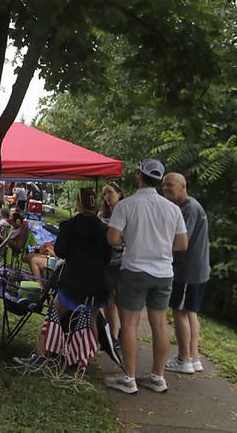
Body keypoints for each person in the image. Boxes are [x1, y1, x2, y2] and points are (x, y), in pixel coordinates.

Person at [105, 159, 188, 394]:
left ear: (139, 176)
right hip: (164, 273)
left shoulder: (127, 205)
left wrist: (131, 240)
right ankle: (157, 377)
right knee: (159, 324)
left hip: (135, 271)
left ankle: (129, 379)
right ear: (160, 180)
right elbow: (182, 244)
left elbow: (112, 238)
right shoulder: (172, 209)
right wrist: (159, 244)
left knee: (129, 324)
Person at [14, 188, 111, 367]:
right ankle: (86, 361)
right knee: (91, 322)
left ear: (78, 204)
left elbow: (61, 252)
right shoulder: (104, 229)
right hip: (97, 285)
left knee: (53, 316)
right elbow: (107, 258)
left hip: (73, 283)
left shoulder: (70, 225)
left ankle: (41, 356)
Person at [162, 172, 210, 374]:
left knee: (179, 312)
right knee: (190, 312)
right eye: (163, 185)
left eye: (170, 185)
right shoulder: (189, 206)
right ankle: (194, 357)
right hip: (198, 270)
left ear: (183, 186)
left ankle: (183, 359)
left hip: (187, 271)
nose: (165, 189)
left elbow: (181, 243)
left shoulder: (188, 209)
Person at [100, 181, 126, 346]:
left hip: (122, 263)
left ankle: (125, 333)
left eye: (110, 192)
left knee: (120, 300)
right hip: (105, 262)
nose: (107, 197)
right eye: (105, 194)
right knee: (108, 299)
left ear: (119, 193)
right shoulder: (102, 215)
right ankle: (112, 336)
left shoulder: (126, 212)